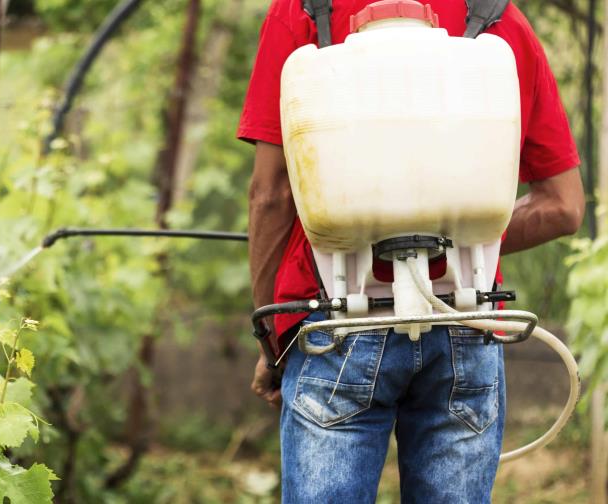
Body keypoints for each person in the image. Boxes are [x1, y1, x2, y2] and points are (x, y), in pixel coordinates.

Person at [239, 0, 586, 501]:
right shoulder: (496, 16)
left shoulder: (304, 11)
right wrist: (447, 238)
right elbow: (564, 206)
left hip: (335, 320)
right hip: (466, 321)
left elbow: (271, 195)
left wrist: (270, 338)